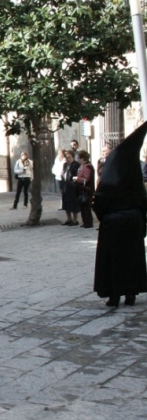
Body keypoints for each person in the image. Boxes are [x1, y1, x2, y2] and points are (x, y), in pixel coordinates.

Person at [93, 123, 147, 308]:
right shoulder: (135, 181)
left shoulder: (109, 178)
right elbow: (143, 203)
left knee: (114, 260)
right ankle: (130, 294)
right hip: (133, 221)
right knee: (131, 258)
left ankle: (114, 295)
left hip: (114, 223)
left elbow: (99, 202)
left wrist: (106, 218)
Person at [74, 150, 95, 229]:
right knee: (83, 207)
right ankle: (85, 221)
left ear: (82, 158)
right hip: (81, 190)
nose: (78, 160)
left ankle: (88, 222)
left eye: (78, 158)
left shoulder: (88, 167)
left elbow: (87, 179)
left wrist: (77, 179)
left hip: (86, 190)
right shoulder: (82, 166)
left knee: (86, 207)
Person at [60, 150, 80, 226]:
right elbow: (63, 173)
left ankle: (75, 220)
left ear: (73, 157)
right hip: (65, 186)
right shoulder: (65, 164)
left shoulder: (76, 165)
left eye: (69, 157)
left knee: (73, 203)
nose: (67, 159)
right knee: (65, 203)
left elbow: (76, 175)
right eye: (66, 157)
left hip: (72, 186)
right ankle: (69, 218)